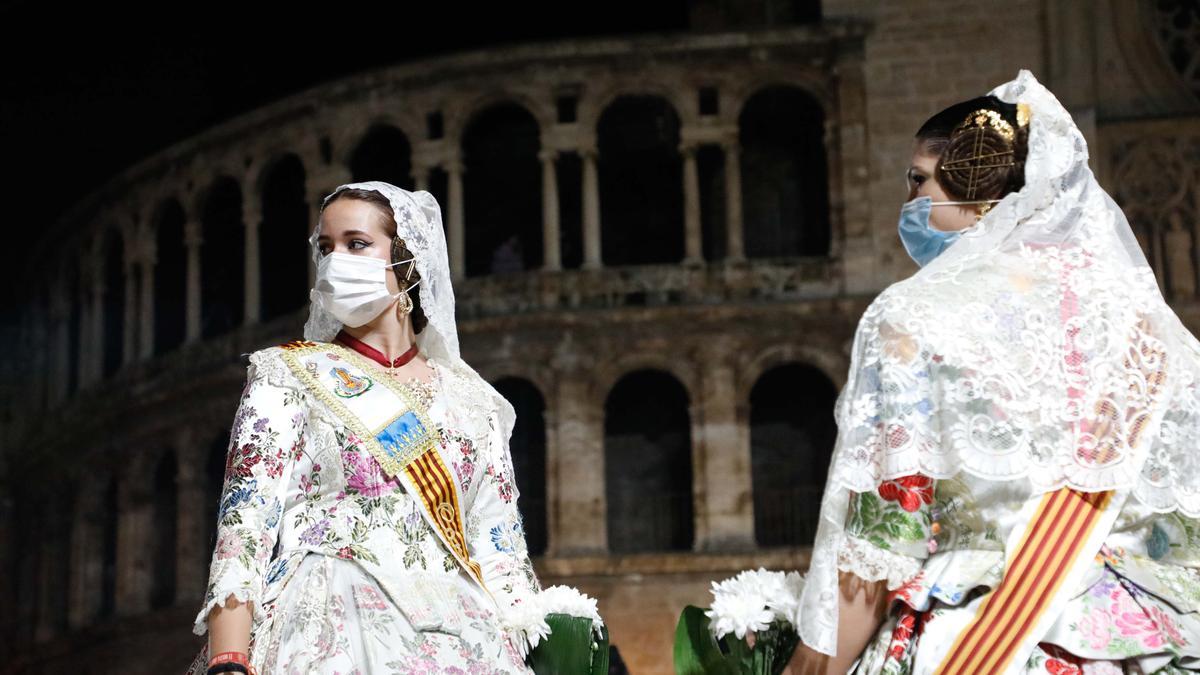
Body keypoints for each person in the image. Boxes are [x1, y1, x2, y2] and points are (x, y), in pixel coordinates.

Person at [787, 70, 1200, 674]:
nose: (910, 205)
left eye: (919, 182)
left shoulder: (909, 318)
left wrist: (805, 667)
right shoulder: (1157, 338)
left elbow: (882, 544)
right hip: (1150, 644)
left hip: (980, 638)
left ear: (974, 190)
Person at [184, 182, 541, 674]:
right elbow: (243, 529)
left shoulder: (474, 403)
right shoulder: (287, 375)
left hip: (465, 637)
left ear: (406, 259)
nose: (335, 262)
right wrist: (228, 659)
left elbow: (502, 551)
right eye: (326, 248)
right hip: (326, 624)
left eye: (356, 244)